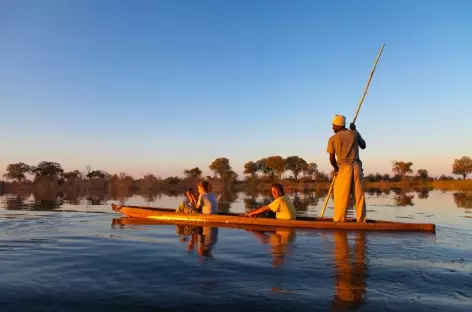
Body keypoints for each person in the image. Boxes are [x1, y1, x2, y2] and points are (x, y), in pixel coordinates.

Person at [326, 114, 367, 222]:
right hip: (357, 168)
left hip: (344, 169)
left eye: (333, 125)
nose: (332, 128)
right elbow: (363, 145)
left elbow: (332, 158)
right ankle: (361, 221)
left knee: (341, 198)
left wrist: (336, 168)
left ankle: (339, 222)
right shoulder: (354, 133)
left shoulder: (332, 139)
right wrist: (356, 131)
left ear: (339, 126)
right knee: (359, 196)